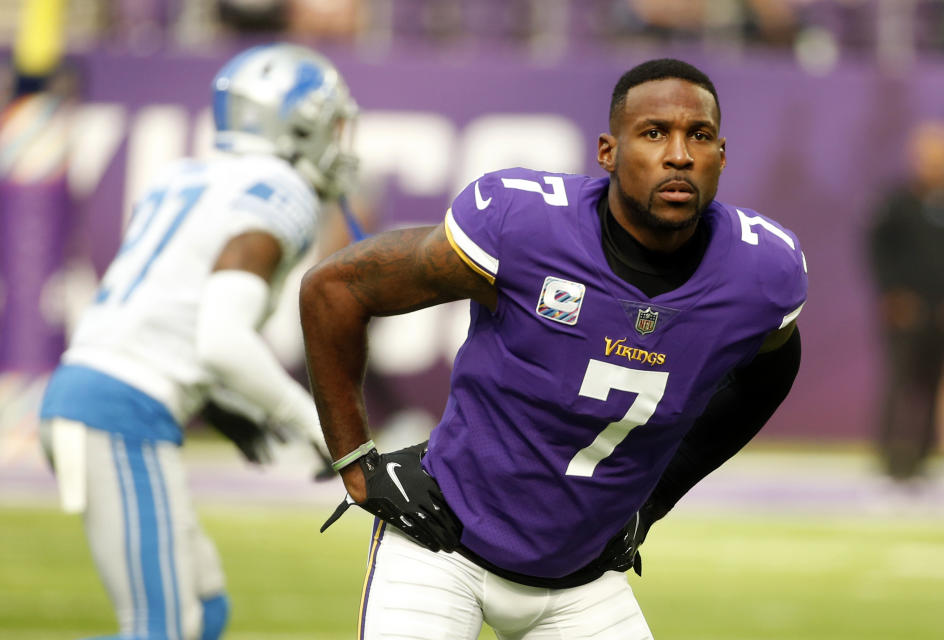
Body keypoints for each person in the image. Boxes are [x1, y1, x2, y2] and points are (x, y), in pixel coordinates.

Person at [300, 58, 806, 639]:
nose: (678, 155)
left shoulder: (759, 272)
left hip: (583, 580)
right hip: (442, 547)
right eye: (653, 133)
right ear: (608, 152)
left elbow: (772, 369)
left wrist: (656, 497)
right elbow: (333, 289)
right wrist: (355, 464)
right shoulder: (526, 228)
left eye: (699, 135)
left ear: (721, 154)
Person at [38, 43, 357, 640]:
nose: (341, 140)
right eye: (331, 121)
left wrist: (225, 402)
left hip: (96, 395)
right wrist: (321, 429)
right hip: (120, 410)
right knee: (162, 629)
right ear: (298, 122)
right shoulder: (280, 188)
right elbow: (221, 342)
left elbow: (171, 316)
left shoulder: (187, 174)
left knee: (203, 615)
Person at [867, 119, 944, 482]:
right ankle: (889, 461)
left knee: (931, 386)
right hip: (906, 310)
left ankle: (922, 460)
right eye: (928, 157)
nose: (934, 164)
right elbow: (878, 250)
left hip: (939, 311)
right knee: (900, 384)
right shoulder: (896, 203)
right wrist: (892, 293)